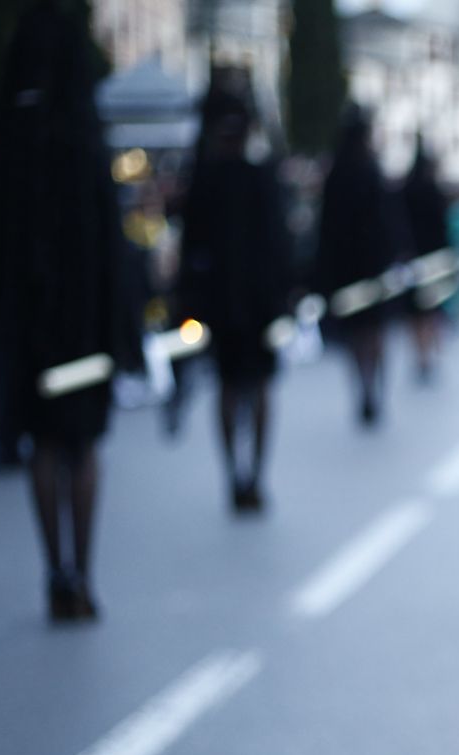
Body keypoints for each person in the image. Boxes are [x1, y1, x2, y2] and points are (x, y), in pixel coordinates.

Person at [0, 3, 142, 621]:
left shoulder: (8, 151)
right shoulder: (87, 147)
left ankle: (55, 571)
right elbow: (114, 253)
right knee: (83, 447)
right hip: (84, 327)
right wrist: (123, 335)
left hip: (27, 327)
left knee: (42, 444)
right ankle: (83, 574)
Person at [176, 81, 293, 513]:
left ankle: (238, 474)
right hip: (256, 304)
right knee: (256, 387)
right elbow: (279, 243)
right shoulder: (259, 178)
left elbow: (191, 249)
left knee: (231, 387)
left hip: (225, 305)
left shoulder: (205, 180)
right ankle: (253, 475)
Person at [313, 105, 398, 425]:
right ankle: (374, 388)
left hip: (345, 271)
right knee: (374, 332)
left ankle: (363, 386)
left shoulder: (336, 174)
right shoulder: (372, 171)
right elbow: (387, 223)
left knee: (355, 335)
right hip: (372, 269)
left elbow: (326, 230)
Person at [398, 134, 451, 383]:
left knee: (416, 313)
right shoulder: (434, 192)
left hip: (412, 260)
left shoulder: (405, 190)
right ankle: (432, 351)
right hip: (434, 261)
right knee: (431, 309)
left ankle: (421, 356)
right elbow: (442, 228)